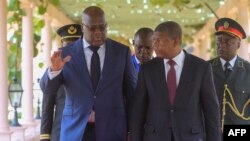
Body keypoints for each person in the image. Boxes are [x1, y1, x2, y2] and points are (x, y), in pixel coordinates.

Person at [40, 6, 137, 141]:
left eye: (102, 27)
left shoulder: (121, 52)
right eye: (92, 28)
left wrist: (133, 131)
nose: (98, 32)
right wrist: (54, 71)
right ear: (83, 27)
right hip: (75, 131)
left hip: (112, 130)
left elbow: (132, 94)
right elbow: (47, 89)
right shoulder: (66, 54)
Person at [129, 21, 221, 141]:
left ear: (175, 42)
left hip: (190, 137)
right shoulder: (147, 69)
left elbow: (211, 112)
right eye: (154, 40)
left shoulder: (201, 68)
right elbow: (138, 112)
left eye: (159, 41)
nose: (154, 45)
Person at [40, 24, 82, 141]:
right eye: (68, 44)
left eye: (75, 43)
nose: (72, 48)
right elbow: (47, 106)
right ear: (61, 45)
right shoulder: (55, 70)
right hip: (60, 134)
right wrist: (45, 136)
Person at [209, 17, 250, 129]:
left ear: (238, 45)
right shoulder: (205, 68)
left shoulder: (248, 70)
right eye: (219, 41)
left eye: (227, 41)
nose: (221, 45)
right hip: (212, 131)